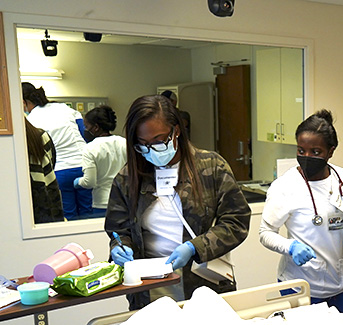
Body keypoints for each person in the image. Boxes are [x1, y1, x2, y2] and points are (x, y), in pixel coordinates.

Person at [104, 94, 250, 310]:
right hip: (151, 284)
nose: (151, 150)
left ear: (177, 131)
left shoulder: (211, 167)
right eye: (142, 144)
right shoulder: (128, 178)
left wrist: (194, 247)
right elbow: (118, 230)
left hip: (203, 281)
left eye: (159, 141)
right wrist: (120, 247)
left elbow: (236, 222)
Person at [259, 110, 343, 312]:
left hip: (340, 285)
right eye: (301, 150)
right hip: (300, 287)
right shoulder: (285, 186)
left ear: (330, 151)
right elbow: (265, 233)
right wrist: (290, 247)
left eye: (315, 152)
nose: (306, 157)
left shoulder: (342, 177)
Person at [22, 82, 89, 220]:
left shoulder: (31, 120)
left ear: (23, 102)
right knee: (88, 214)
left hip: (61, 170)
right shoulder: (64, 108)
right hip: (84, 167)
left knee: (69, 217)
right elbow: (84, 134)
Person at [75, 105, 127, 217]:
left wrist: (78, 182)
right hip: (124, 200)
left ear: (96, 127)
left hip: (102, 204)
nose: (85, 130)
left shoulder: (90, 148)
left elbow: (89, 182)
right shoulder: (124, 143)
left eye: (86, 126)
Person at [24, 116, 64, 224]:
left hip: (24, 206)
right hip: (49, 199)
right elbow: (52, 162)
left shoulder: (10, 141)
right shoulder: (41, 136)